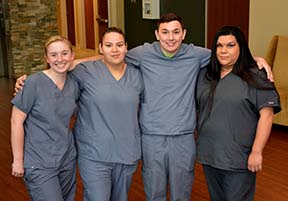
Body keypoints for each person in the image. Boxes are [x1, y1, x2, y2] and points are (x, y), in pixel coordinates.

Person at [15, 14, 273, 201]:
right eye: (164, 32)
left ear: (183, 34)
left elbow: (227, 54)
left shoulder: (197, 54)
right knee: (154, 193)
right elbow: (107, 56)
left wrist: (256, 60)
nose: (170, 37)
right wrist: (51, 70)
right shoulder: (142, 54)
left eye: (175, 32)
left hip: (183, 137)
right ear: (156, 34)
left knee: (182, 193)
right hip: (150, 138)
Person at [196, 26, 281, 201]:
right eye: (219, 46)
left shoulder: (256, 76)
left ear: (241, 47)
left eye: (230, 45)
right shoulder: (206, 74)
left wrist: (257, 151)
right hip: (209, 155)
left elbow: (267, 115)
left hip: (238, 158)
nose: (223, 51)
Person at [69, 27, 144, 201]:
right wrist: (27, 81)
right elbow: (56, 75)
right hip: (94, 153)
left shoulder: (137, 76)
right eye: (109, 45)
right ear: (100, 48)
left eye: (119, 45)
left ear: (126, 47)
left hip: (127, 152)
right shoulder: (85, 71)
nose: (115, 49)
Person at [10, 35, 79, 201]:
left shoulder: (74, 84)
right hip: (39, 161)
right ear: (46, 58)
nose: (60, 59)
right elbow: (16, 121)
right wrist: (18, 160)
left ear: (72, 56)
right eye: (54, 55)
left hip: (66, 159)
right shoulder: (33, 83)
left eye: (64, 53)